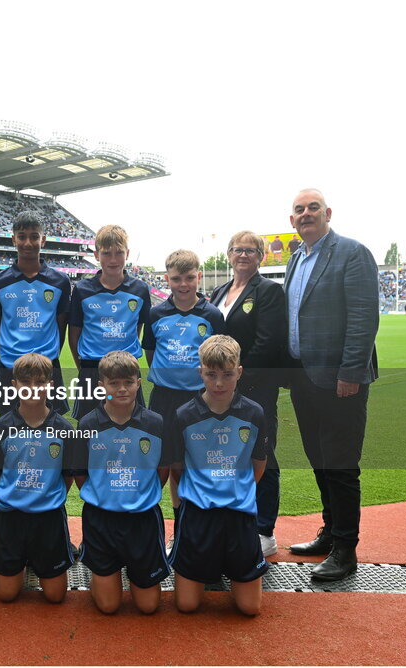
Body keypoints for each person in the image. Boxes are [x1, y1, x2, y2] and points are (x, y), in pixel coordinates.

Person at [284, 189, 379, 581]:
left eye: (312, 208)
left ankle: (345, 549)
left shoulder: (352, 253)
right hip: (304, 379)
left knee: (339, 465)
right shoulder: (295, 259)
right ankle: (330, 533)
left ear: (327, 213)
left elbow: (363, 317)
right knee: (319, 461)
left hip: (339, 379)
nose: (306, 214)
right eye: (299, 210)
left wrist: (350, 373)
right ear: (292, 221)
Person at [166, 335, 270, 615]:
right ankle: (209, 568)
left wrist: (235, 488)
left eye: (227, 374)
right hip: (199, 513)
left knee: (250, 609)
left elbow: (258, 465)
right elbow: (177, 469)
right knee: (187, 606)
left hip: (239, 513)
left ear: (239, 372)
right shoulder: (184, 415)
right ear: (201, 373)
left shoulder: (254, 413)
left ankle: (227, 569)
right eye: (211, 375)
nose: (219, 383)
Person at [71, 351, 172, 614]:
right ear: (101, 386)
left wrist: (141, 494)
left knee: (148, 607)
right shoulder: (88, 423)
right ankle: (107, 575)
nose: (122, 388)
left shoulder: (155, 423)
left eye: (128, 382)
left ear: (139, 382)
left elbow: (162, 470)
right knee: (108, 607)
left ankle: (130, 572)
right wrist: (104, 495)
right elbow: (81, 474)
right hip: (102, 519)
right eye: (114, 383)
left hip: (142, 519)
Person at [209, 232, 287, 557]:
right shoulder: (219, 292)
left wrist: (236, 381)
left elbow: (268, 344)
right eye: (238, 249)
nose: (243, 254)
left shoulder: (269, 291)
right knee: (229, 455)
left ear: (261, 256)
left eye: (250, 250)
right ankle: (233, 524)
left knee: (262, 454)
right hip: (222, 390)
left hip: (255, 389)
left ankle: (264, 530)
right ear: (229, 254)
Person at [143, 249, 224, 531]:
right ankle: (165, 530)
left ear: (198, 276)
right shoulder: (156, 314)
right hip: (164, 398)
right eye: (177, 278)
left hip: (198, 400)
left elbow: (218, 360)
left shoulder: (212, 315)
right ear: (167, 279)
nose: (184, 284)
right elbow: (151, 354)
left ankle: (193, 528)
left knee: (195, 464)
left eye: (189, 277)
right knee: (165, 464)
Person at [0, 353, 77, 603]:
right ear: (14, 385)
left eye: (40, 382)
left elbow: (66, 476)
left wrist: (45, 496)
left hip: (48, 518)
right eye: (26, 382)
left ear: (51, 385)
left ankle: (38, 559)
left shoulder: (64, 428)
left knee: (56, 597)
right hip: (11, 516)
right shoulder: (2, 427)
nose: (33, 389)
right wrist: (18, 493)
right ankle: (16, 559)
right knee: (6, 595)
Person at [0, 211, 71, 415]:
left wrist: (50, 355)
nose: (28, 243)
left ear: (43, 240)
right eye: (22, 236)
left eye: (34, 236)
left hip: (48, 363)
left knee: (51, 428)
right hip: (9, 365)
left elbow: (61, 326)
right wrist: (10, 353)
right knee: (7, 427)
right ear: (13, 239)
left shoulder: (60, 281)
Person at [68, 224, 151, 418]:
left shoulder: (140, 289)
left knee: (132, 426)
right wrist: (84, 369)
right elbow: (74, 336)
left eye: (119, 252)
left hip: (127, 369)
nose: (113, 260)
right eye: (106, 253)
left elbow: (137, 328)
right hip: (92, 369)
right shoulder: (82, 289)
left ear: (127, 253)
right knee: (88, 429)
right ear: (96, 255)